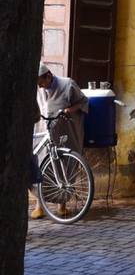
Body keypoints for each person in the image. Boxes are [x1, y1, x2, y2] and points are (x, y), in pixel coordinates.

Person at [30, 63, 89, 219]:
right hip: (45, 132)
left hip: (65, 133)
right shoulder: (38, 88)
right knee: (42, 167)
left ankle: (62, 205)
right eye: (38, 85)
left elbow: (84, 102)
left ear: (48, 76)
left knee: (64, 168)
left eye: (42, 83)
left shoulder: (68, 84)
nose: (40, 87)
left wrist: (69, 110)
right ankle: (39, 205)